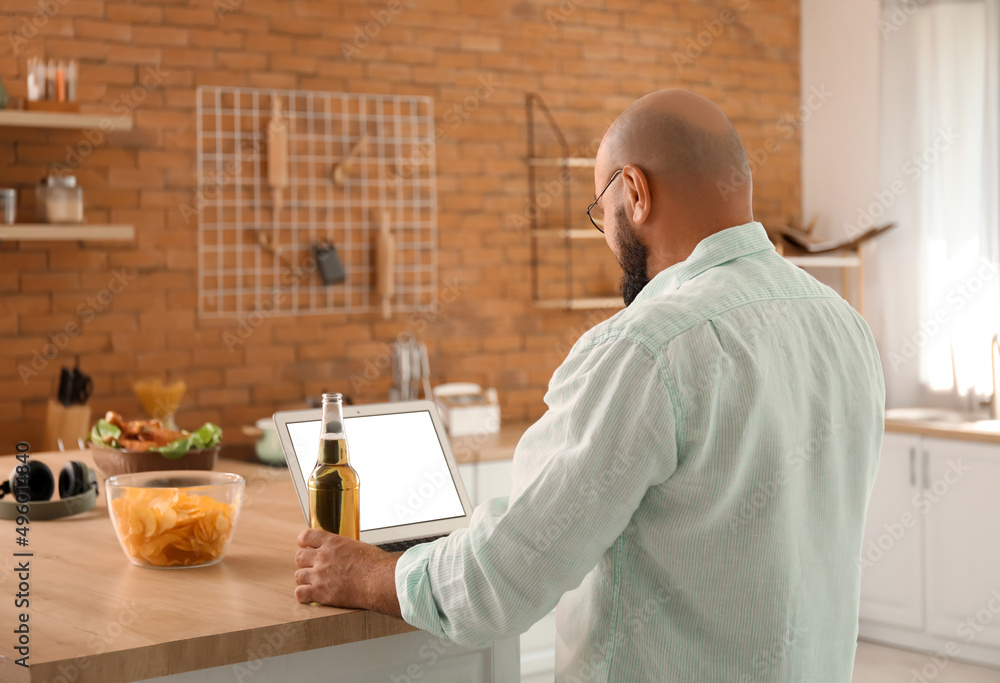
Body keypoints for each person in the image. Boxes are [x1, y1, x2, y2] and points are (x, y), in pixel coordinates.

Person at [294, 89, 885, 681]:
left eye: (602, 208)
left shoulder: (644, 348)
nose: (607, 234)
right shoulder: (842, 324)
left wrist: (366, 573)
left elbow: (501, 578)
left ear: (635, 190)